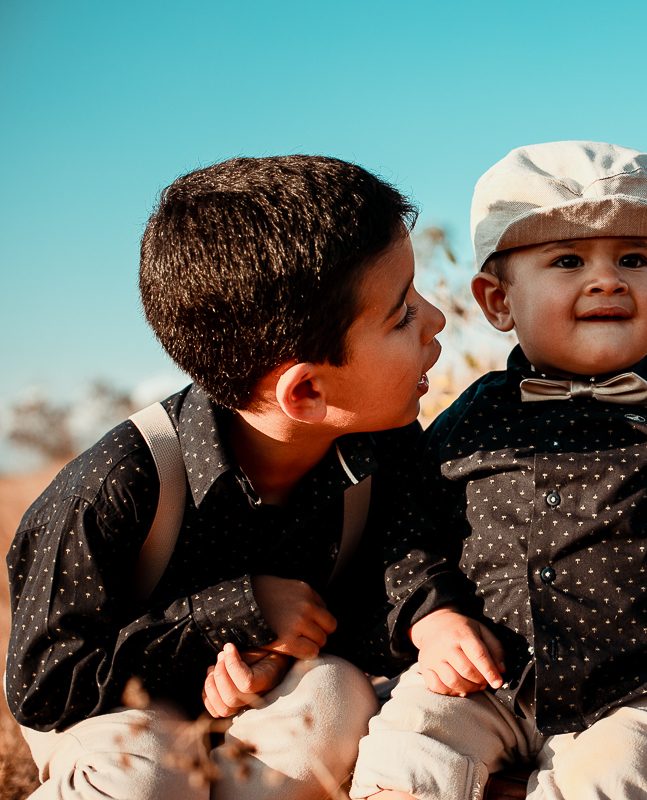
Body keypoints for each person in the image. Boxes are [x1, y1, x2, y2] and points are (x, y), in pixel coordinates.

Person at [351, 141, 647, 800]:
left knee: (611, 779)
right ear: (498, 301)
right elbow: (408, 533)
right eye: (568, 260)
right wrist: (432, 620)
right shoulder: (467, 420)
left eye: (632, 260)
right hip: (480, 678)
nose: (606, 280)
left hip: (640, 688)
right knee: (411, 747)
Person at [5, 155, 446, 800]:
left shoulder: (386, 449)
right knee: (145, 776)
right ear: (308, 391)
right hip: (112, 719)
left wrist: (273, 652)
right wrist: (231, 615)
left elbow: (385, 597)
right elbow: (46, 685)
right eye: (401, 314)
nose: (435, 318)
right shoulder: (113, 485)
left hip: (257, 705)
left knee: (335, 700)